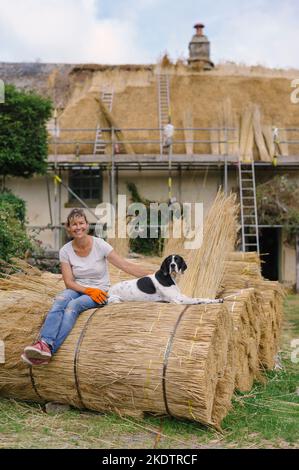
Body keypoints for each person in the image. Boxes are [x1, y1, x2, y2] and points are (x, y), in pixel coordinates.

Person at [21, 208, 151, 366]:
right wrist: (88, 290)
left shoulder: (100, 245)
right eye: (73, 224)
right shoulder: (65, 251)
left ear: (87, 225)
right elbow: (69, 282)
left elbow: (125, 265)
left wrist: (155, 276)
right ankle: (44, 344)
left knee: (73, 306)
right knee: (60, 300)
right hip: (78, 288)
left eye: (81, 223)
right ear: (68, 228)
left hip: (100, 291)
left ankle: (49, 350)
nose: (78, 227)